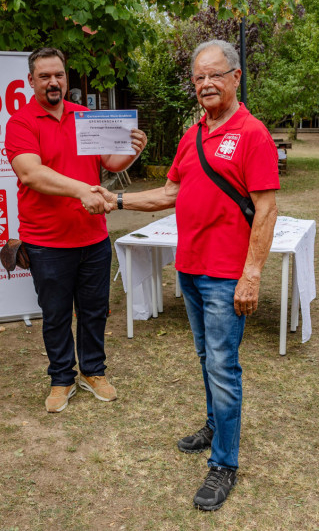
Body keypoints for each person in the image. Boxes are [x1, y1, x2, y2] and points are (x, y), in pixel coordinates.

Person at [92, 40, 279, 511]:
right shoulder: (192, 135)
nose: (206, 84)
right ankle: (216, 426)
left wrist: (252, 273)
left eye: (215, 75)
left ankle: (225, 463)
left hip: (226, 275)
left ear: (236, 77)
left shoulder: (252, 133)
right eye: (199, 77)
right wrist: (115, 199)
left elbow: (267, 209)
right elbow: (169, 194)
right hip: (191, 268)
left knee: (223, 365)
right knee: (206, 357)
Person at [4, 48, 147, 414]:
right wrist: (82, 190)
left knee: (94, 311)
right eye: (45, 76)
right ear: (31, 81)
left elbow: (110, 162)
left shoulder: (85, 117)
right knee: (55, 315)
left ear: (66, 78)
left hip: (93, 237)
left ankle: (93, 371)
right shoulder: (21, 123)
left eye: (59, 75)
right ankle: (61, 378)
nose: (53, 82)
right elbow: (30, 173)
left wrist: (133, 151)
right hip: (46, 241)